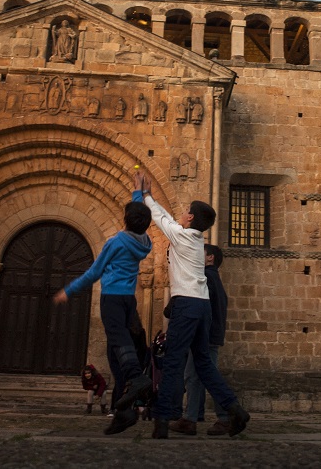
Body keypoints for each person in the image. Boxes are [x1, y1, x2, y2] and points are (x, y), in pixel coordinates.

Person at [133, 171, 250, 439]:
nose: (182, 214)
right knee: (204, 365)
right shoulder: (196, 240)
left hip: (186, 305)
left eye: (186, 211)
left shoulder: (182, 236)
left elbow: (160, 217)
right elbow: (169, 220)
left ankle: (162, 422)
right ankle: (235, 411)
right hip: (203, 307)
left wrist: (144, 193)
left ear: (191, 218)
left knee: (173, 363)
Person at [54, 198, 152, 435]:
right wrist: (138, 194)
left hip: (112, 298)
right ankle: (123, 412)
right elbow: (138, 220)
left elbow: (94, 272)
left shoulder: (115, 242)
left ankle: (136, 379)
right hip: (129, 300)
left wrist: (69, 290)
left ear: (125, 220)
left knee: (119, 342)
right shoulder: (145, 242)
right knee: (117, 351)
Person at [169, 244, 231, 436]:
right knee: (193, 377)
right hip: (207, 335)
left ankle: (227, 416)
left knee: (207, 376)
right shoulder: (212, 278)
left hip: (206, 336)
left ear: (210, 258)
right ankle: (190, 419)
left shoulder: (205, 277)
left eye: (201, 253)